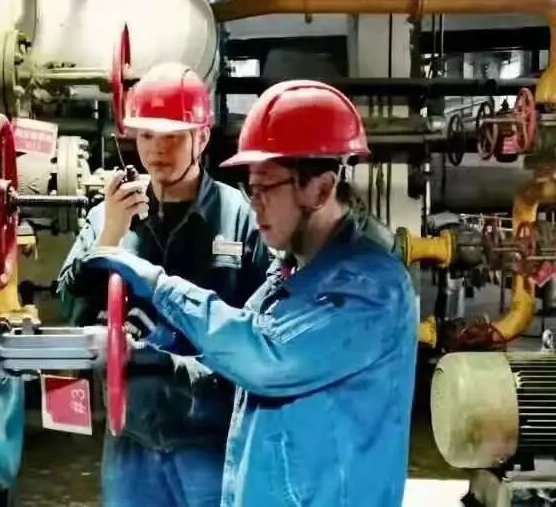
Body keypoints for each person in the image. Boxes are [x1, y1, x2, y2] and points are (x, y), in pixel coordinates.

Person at [79, 80, 419, 507]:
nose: (254, 204)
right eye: (249, 189)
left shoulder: (369, 286)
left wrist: (159, 285)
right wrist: (146, 356)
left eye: (266, 189)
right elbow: (230, 375)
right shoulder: (289, 274)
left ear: (319, 188)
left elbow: (265, 358)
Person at [56, 62, 271, 507]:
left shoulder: (240, 218)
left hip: (211, 436)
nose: (157, 149)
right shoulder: (108, 215)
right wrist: (109, 237)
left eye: (174, 136)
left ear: (202, 138)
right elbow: (70, 309)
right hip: (131, 435)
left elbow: (266, 329)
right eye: (147, 135)